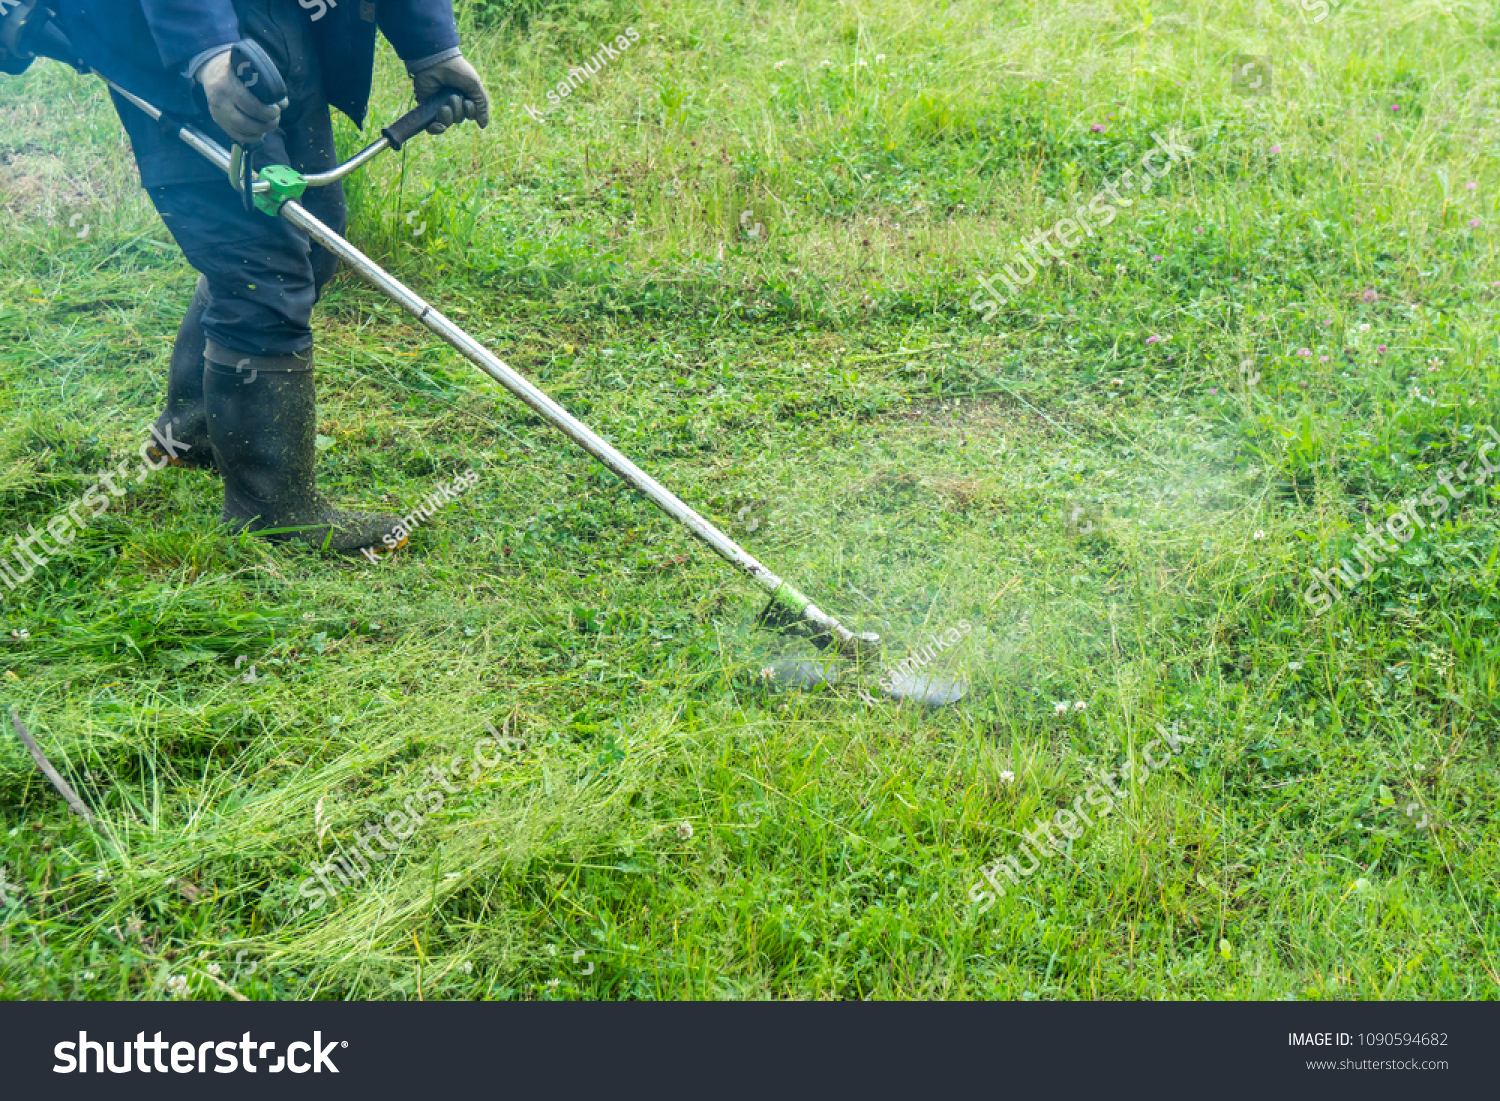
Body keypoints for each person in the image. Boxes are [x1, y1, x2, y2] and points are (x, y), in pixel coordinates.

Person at [0, 0, 490, 553]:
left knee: (311, 238)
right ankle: (272, 510)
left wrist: (431, 45)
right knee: (260, 260)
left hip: (276, 17)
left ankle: (198, 424)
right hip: (162, 27)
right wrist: (204, 53)